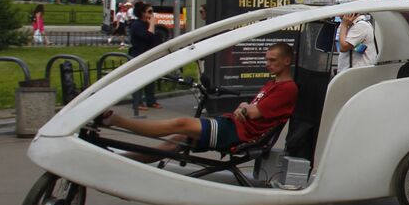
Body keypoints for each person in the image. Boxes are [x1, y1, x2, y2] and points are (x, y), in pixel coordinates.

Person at [98, 42, 298, 159]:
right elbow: (253, 108)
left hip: (237, 134)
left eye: (272, 60)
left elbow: (253, 112)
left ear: (287, 61)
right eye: (267, 59)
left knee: (181, 124)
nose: (267, 64)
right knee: (176, 142)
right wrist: (245, 107)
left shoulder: (287, 88)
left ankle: (115, 120)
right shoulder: (273, 83)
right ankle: (125, 161)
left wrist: (244, 106)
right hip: (232, 125)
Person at [126, 2, 164, 114]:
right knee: (139, 80)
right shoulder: (137, 25)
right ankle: (137, 102)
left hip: (149, 55)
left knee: (150, 79)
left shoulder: (147, 24)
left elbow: (155, 39)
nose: (152, 14)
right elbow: (148, 37)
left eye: (152, 11)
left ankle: (151, 100)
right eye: (149, 12)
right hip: (139, 54)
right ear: (142, 13)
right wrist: (152, 24)